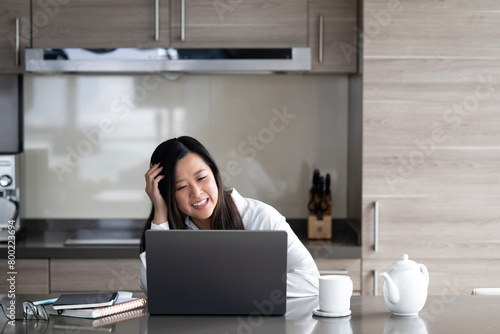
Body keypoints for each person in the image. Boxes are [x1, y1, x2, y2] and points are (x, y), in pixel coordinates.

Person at [139, 136, 319, 297]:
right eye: (181, 187)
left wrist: (234, 285)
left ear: (215, 175)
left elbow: (312, 282)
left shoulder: (261, 217)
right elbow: (153, 288)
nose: (197, 192)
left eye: (201, 178)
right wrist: (160, 211)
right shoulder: (171, 228)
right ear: (167, 193)